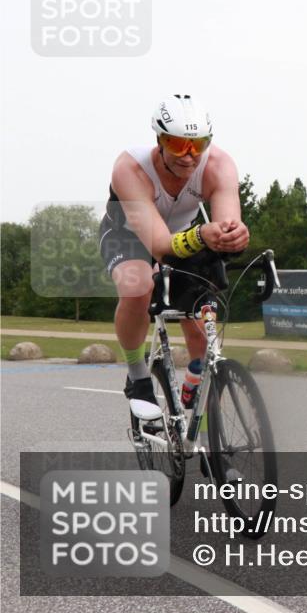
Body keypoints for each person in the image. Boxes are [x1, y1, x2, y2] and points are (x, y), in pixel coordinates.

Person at [100, 95, 249, 413]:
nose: (189, 156)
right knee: (138, 285)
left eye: (198, 144)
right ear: (159, 139)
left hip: (185, 237)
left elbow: (224, 225)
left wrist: (233, 236)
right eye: (178, 144)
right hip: (128, 236)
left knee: (200, 325)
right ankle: (138, 377)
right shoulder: (130, 168)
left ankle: (198, 398)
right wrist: (202, 235)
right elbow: (159, 246)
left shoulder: (219, 166)